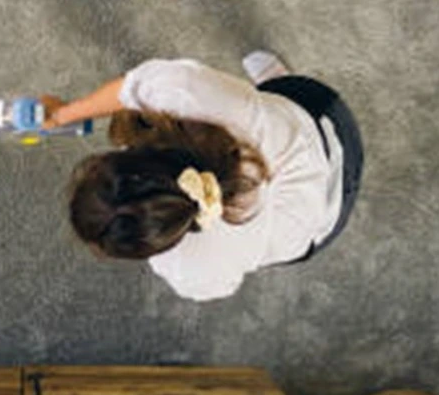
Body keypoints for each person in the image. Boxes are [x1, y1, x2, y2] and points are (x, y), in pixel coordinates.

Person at [47, 51, 363, 301]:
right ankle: (276, 83)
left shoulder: (190, 272)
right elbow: (134, 88)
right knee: (273, 101)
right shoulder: (185, 95)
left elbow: (223, 283)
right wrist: (64, 114)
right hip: (327, 124)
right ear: (132, 156)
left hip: (323, 223)